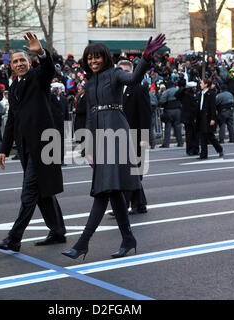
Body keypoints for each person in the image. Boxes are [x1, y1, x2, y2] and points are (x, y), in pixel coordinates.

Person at [62, 34, 166, 260]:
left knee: (103, 190)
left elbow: (135, 79)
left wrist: (145, 58)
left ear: (105, 58)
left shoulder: (116, 73)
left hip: (117, 131)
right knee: (113, 190)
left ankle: (82, 243)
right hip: (99, 136)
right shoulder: (90, 83)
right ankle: (128, 239)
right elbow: (90, 116)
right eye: (89, 58)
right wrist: (88, 147)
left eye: (97, 57)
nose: (93, 61)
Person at [0, 32, 66, 252]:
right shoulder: (13, 87)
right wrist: (4, 149)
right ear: (11, 67)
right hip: (26, 147)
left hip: (43, 144)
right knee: (43, 191)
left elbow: (49, 70)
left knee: (29, 192)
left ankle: (14, 238)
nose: (19, 64)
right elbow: (12, 120)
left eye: (22, 59)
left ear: (29, 62)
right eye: (15, 62)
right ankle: (58, 231)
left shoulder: (37, 77)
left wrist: (42, 52)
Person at [118, 59, 151, 215]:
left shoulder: (139, 89)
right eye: (119, 70)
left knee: (133, 171)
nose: (121, 73)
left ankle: (123, 205)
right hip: (119, 136)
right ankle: (139, 204)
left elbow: (145, 114)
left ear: (132, 72)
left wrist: (144, 137)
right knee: (130, 171)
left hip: (135, 135)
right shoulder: (115, 89)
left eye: (125, 71)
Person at [197, 78, 223, 160]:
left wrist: (213, 118)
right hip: (201, 116)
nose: (200, 84)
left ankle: (219, 149)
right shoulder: (200, 93)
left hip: (208, 117)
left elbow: (213, 107)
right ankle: (203, 154)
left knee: (210, 135)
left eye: (201, 83)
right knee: (202, 135)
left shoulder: (211, 94)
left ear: (206, 84)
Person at [175, 80, 199, 156]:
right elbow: (176, 95)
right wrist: (183, 88)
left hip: (195, 117)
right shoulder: (185, 94)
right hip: (188, 118)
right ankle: (190, 149)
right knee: (189, 135)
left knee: (196, 134)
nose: (195, 88)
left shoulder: (196, 94)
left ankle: (196, 149)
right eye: (193, 87)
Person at [158, 81, 183, 147]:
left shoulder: (167, 92)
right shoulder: (177, 90)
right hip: (178, 110)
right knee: (178, 127)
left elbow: (161, 101)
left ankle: (166, 144)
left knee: (168, 128)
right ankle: (180, 142)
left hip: (169, 110)